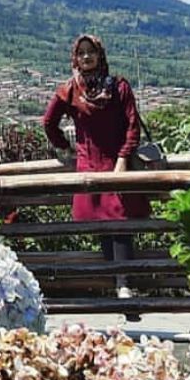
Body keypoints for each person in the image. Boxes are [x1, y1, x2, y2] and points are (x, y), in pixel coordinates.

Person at [41, 34, 149, 314]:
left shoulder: (119, 87)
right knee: (105, 224)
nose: (87, 57)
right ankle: (120, 285)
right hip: (89, 166)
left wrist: (124, 158)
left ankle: (124, 286)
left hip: (116, 164)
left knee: (119, 222)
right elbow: (48, 123)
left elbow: (132, 125)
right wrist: (67, 149)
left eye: (91, 52)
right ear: (75, 58)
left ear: (100, 55)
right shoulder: (69, 90)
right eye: (81, 53)